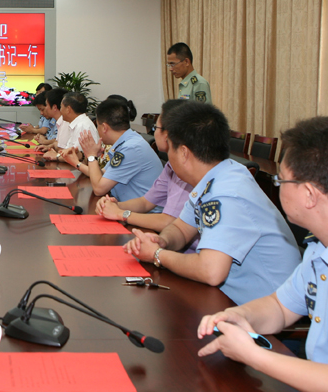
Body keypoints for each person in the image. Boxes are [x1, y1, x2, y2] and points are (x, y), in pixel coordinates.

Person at [196, 116, 328, 390]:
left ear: (309, 194)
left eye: (281, 180)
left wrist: (255, 356)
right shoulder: (323, 244)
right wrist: (242, 315)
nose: (277, 187)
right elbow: (280, 306)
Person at [123, 102, 300, 305]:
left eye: (170, 148)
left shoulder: (227, 192)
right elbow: (181, 229)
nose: (168, 156)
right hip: (229, 299)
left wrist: (157, 254)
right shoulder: (216, 176)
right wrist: (161, 241)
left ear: (184, 153)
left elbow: (211, 271)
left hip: (267, 309)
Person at [95, 99, 199, 251]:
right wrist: (113, 205)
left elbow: (168, 222)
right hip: (167, 239)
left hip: (181, 249)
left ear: (168, 134)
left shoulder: (187, 169)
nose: (154, 132)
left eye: (156, 127)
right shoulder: (171, 165)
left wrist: (121, 213)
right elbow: (145, 202)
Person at [66, 97, 162, 200]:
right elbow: (103, 174)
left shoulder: (131, 148)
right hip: (124, 205)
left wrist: (91, 156)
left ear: (104, 127)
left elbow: (99, 189)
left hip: (139, 209)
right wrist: (77, 163)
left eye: (97, 126)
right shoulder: (126, 141)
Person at [43, 92, 99, 162]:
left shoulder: (82, 126)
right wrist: (57, 154)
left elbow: (77, 156)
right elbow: (68, 151)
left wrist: (56, 156)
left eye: (61, 107)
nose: (60, 111)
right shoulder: (77, 124)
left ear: (68, 109)